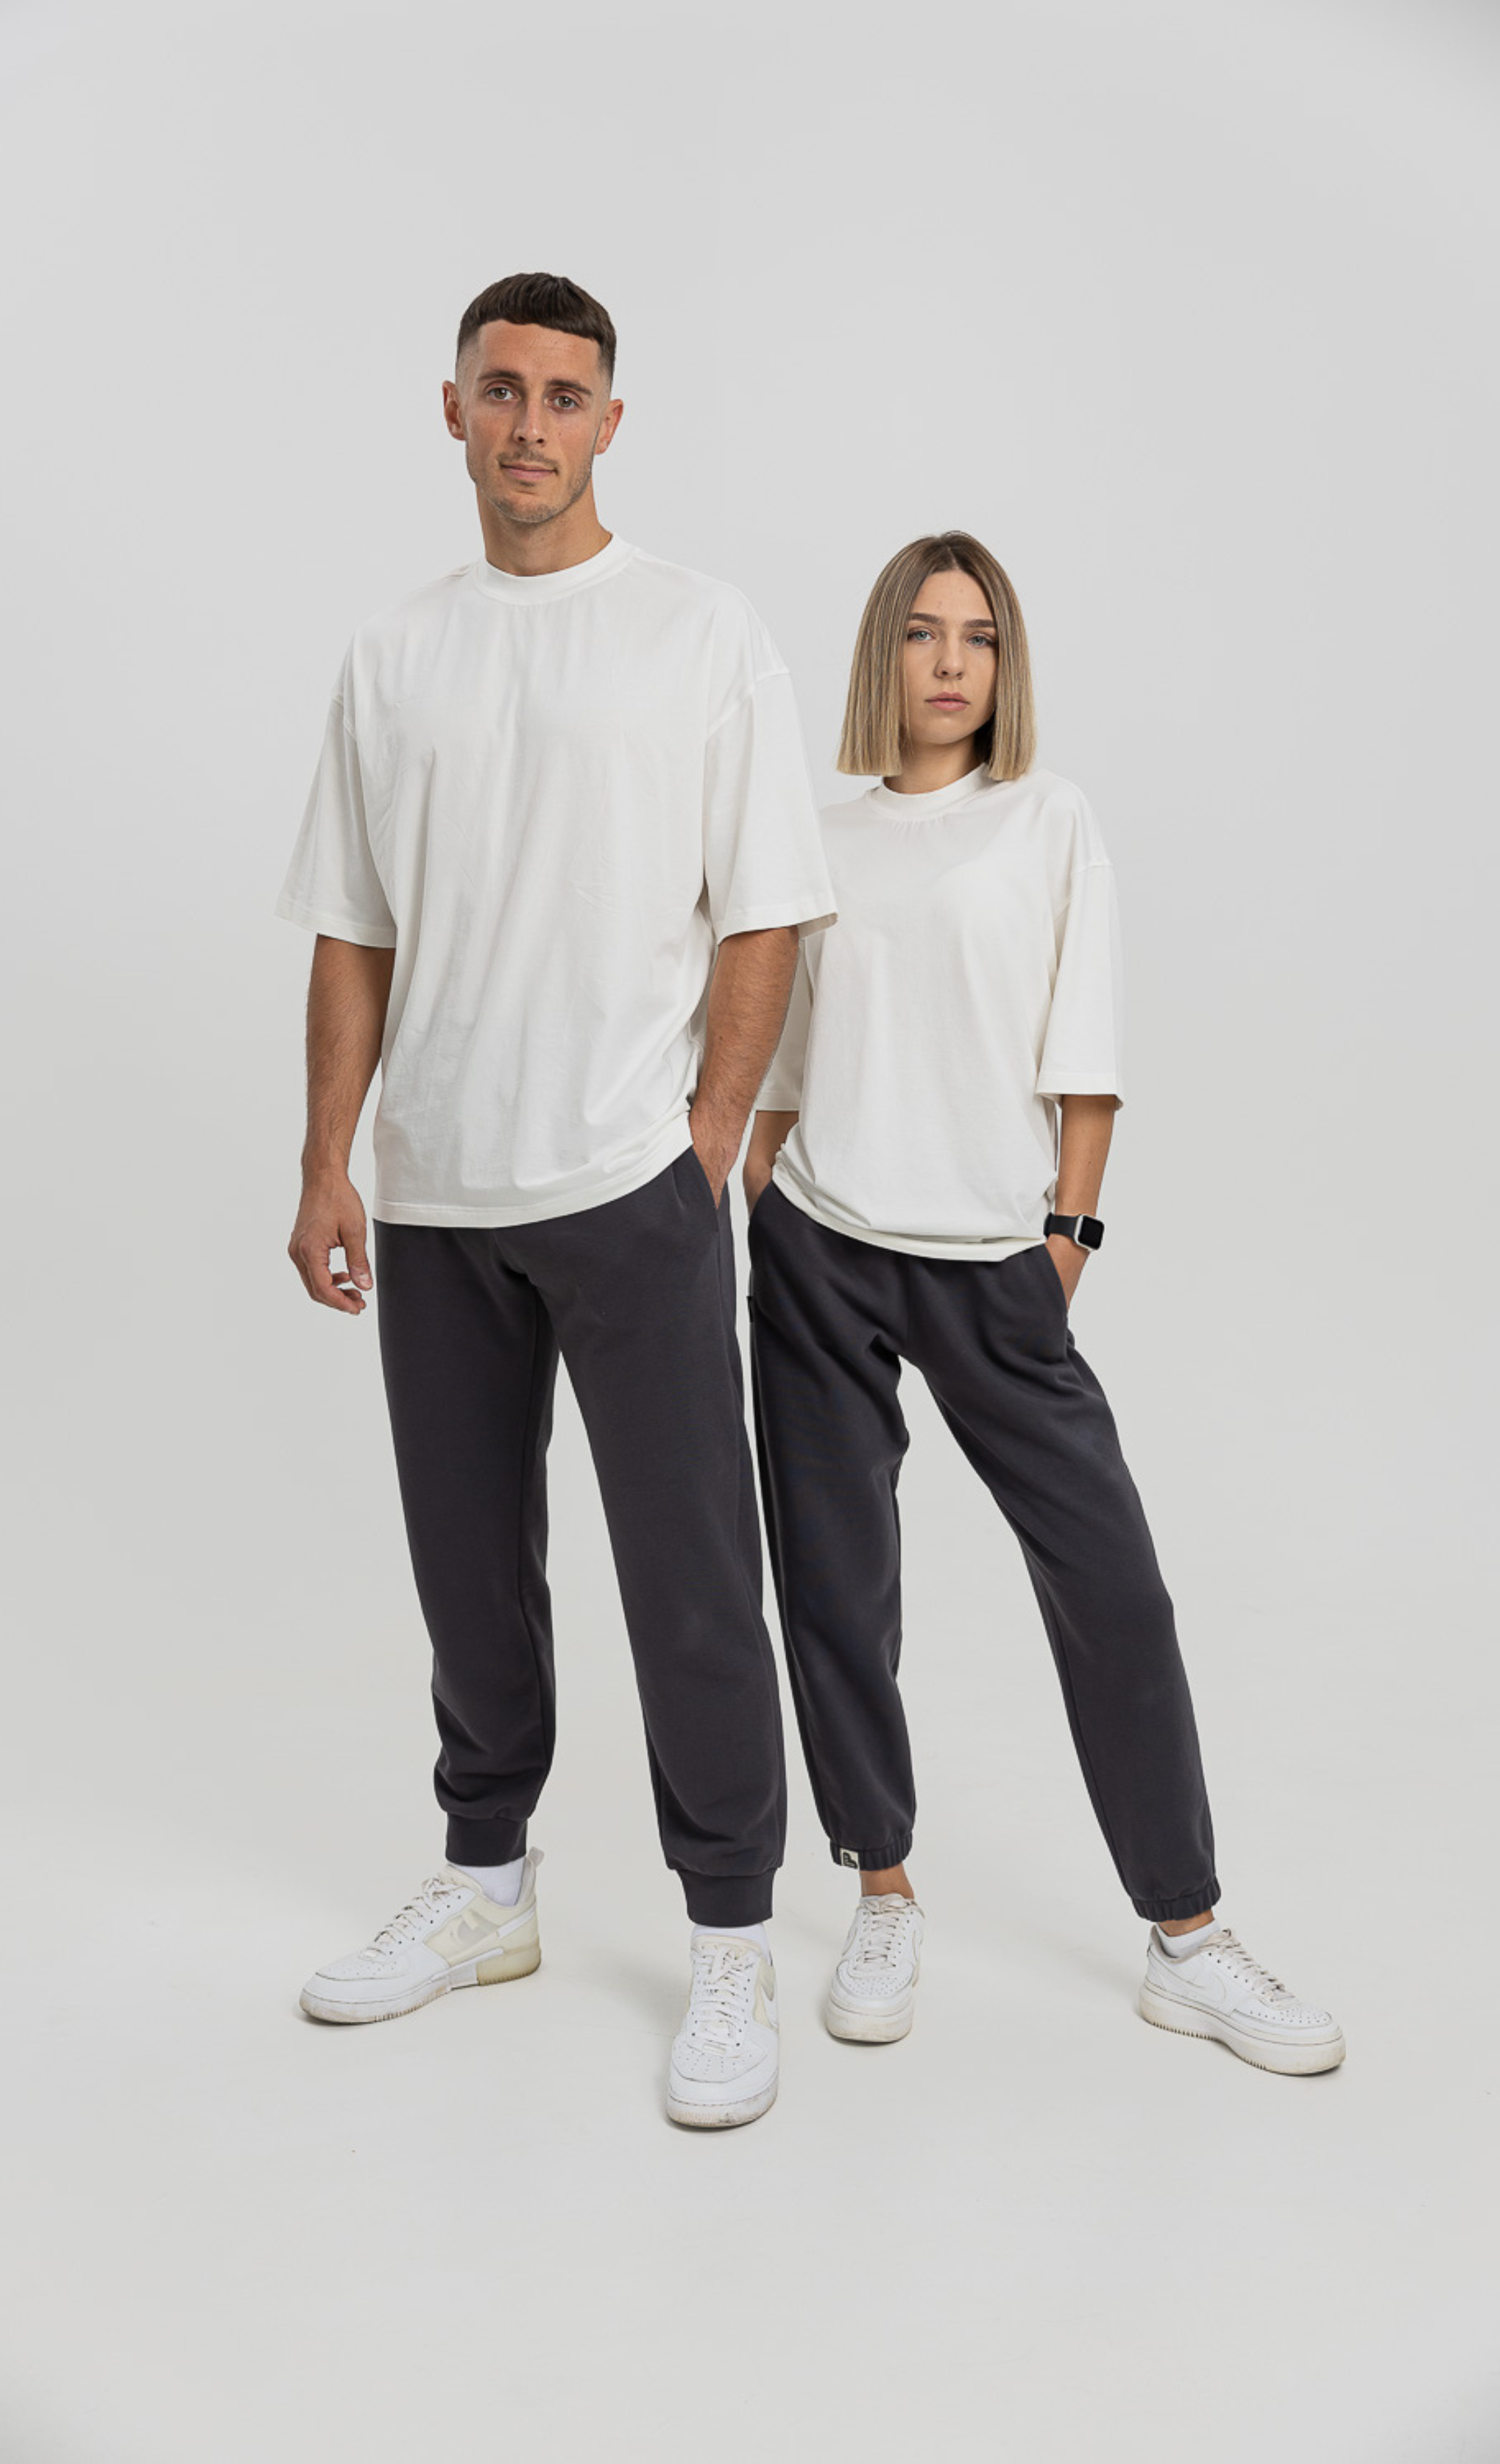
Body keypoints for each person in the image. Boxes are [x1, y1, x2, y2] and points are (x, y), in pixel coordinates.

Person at [277, 272, 833, 2128]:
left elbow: (769, 905)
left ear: (610, 421)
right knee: (469, 1570)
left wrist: (705, 1135)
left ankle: (732, 1937)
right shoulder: (395, 654)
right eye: (501, 390)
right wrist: (327, 1157)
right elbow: (352, 928)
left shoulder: (698, 631)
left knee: (693, 1580)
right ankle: (488, 1885)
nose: (531, 424)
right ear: (452, 409)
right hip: (437, 1191)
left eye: (565, 395)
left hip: (626, 1182)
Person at [744, 531, 1344, 2077]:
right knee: (836, 1588)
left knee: (1114, 1587)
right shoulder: (820, 840)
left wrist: (1064, 1241)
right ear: (883, 656)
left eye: (982, 637)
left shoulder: (1048, 819)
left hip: (995, 1265)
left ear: (1006, 666)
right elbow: (785, 1066)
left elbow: (1088, 1056)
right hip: (819, 1250)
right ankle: (882, 1891)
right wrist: (753, 1202)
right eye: (923, 632)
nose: (952, 662)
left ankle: (1187, 1934)